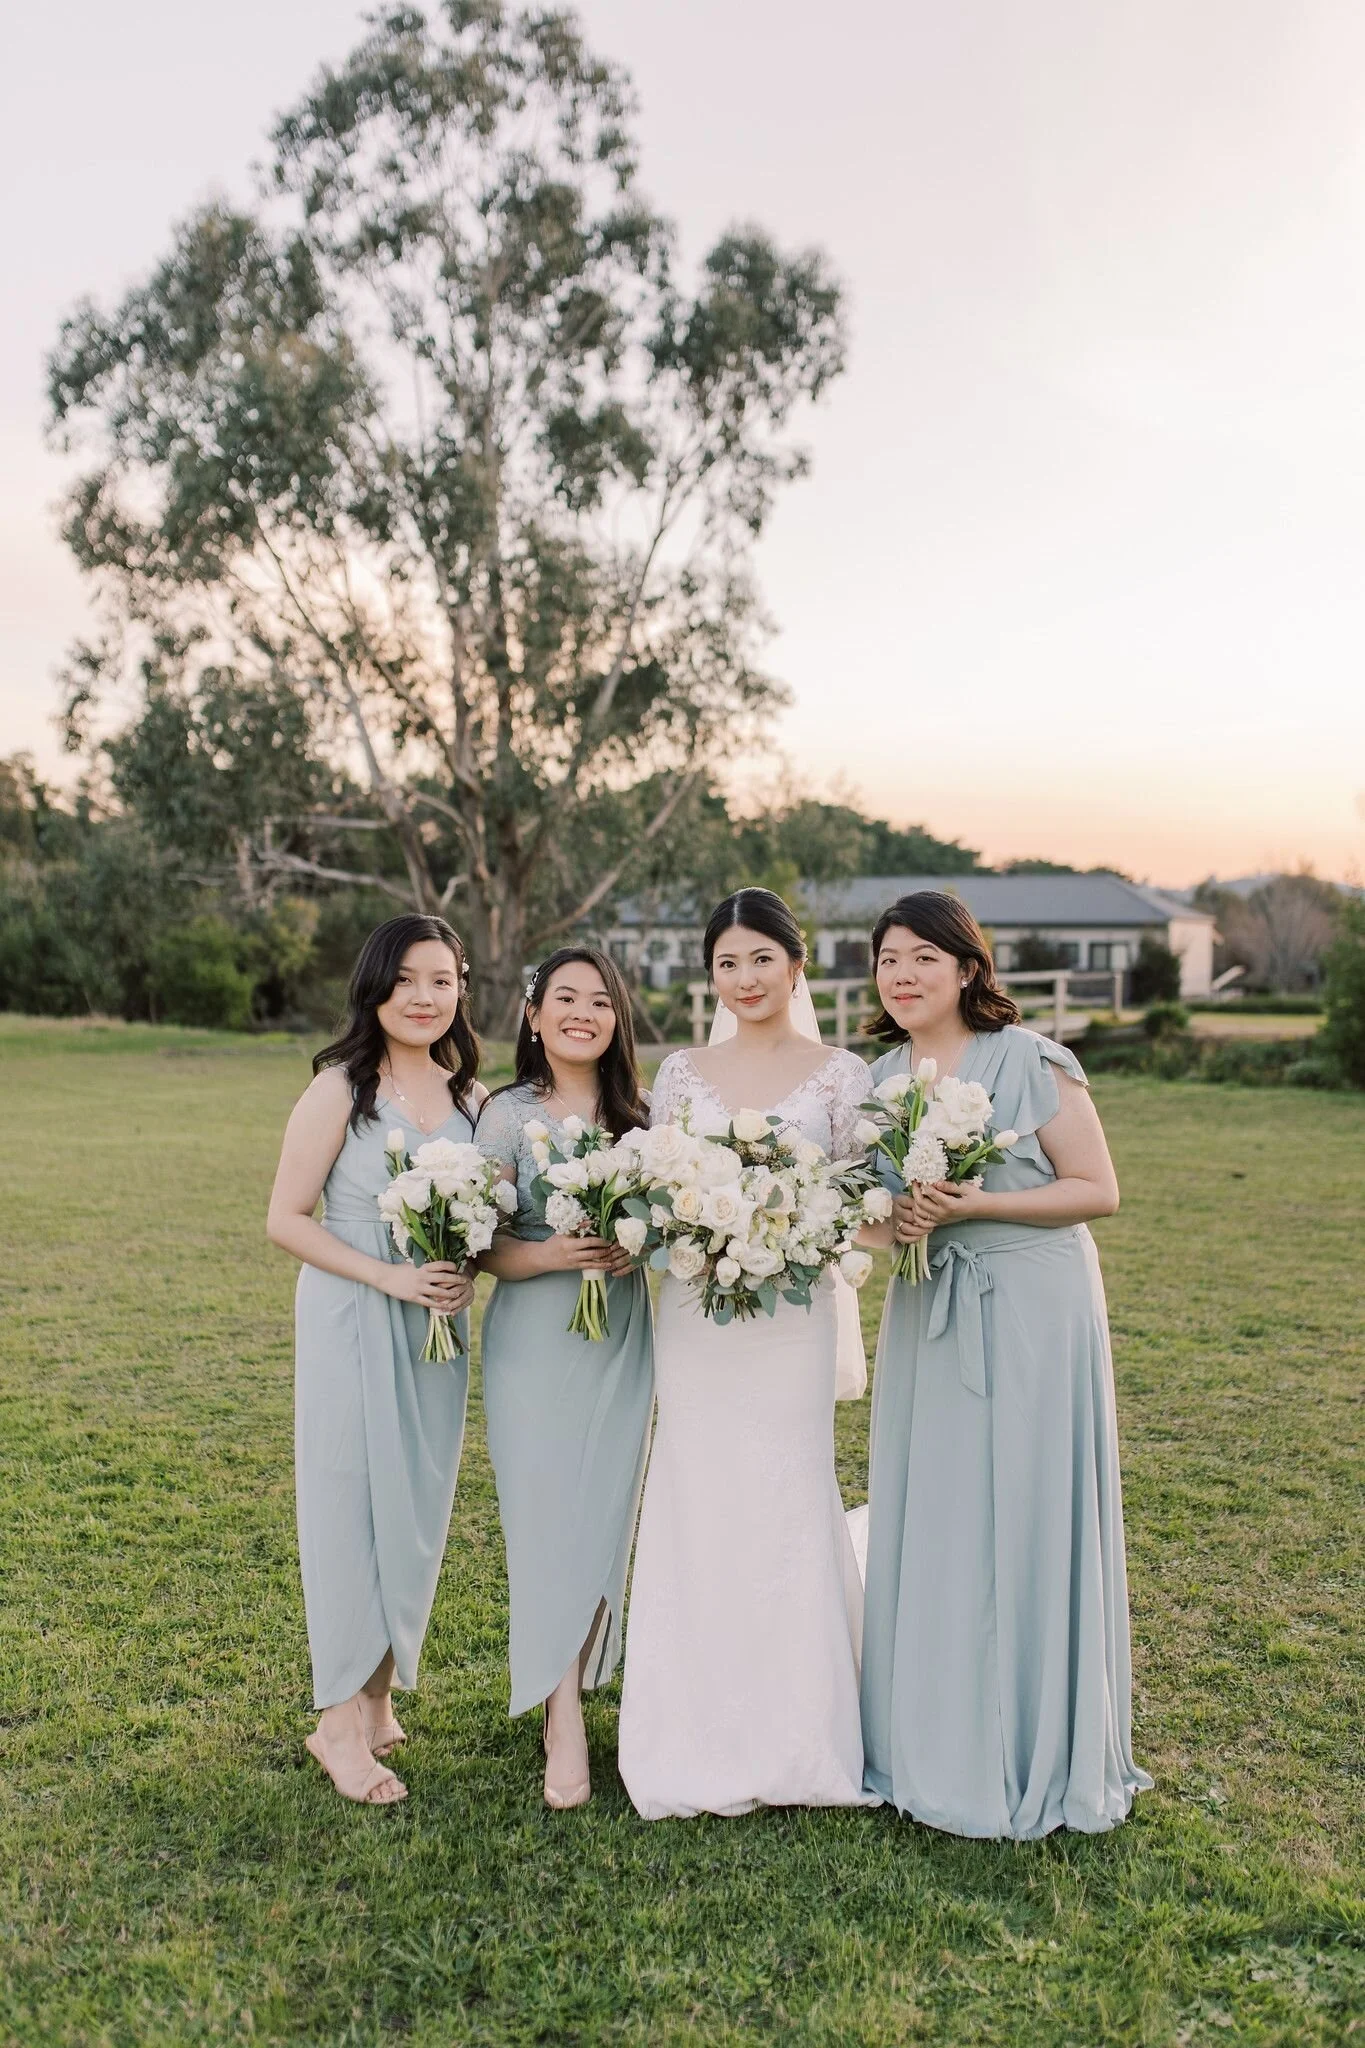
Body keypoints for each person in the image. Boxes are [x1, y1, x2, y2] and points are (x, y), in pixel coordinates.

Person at [858, 891, 1152, 1837]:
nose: (901, 976)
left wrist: (974, 1207)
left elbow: (1095, 1190)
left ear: (968, 969)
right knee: (935, 1508)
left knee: (1025, 1506)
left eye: (922, 959)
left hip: (1031, 1304)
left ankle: (1033, 1744)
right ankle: (930, 1741)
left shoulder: (1030, 1059)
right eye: (887, 959)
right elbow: (868, 1211)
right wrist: (894, 1222)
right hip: (927, 1303)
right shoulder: (875, 1081)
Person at [617, 888, 879, 1819]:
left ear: (796, 965)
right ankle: (690, 1724)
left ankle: (799, 1732)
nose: (744, 979)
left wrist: (798, 1224)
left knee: (785, 1491)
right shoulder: (682, 1075)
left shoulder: (844, 1076)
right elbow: (652, 1188)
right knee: (698, 1491)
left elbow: (865, 1205)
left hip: (793, 1317)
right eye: (726, 963)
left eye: (760, 959)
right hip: (696, 1312)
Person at [267, 914, 484, 1806]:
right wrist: (387, 1279)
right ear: (374, 988)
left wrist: (458, 1271)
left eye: (440, 980)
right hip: (354, 1316)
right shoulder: (338, 1090)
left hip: (435, 1330)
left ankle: (379, 1691)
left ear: (461, 989)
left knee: (415, 1504)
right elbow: (285, 1219)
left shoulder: (473, 1100)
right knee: (349, 1506)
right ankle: (335, 1723)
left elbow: (482, 1219)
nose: (422, 997)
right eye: (404, 981)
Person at [475, 948, 654, 1809]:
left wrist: (643, 1238)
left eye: (600, 1001)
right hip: (535, 1338)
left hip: (621, 1333)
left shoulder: (643, 1115)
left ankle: (575, 1677)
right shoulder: (506, 1113)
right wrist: (550, 1252)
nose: (583, 1013)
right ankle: (561, 1714)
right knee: (544, 1517)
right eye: (565, 999)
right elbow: (481, 1246)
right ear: (535, 1014)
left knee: (604, 1513)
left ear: (617, 1018)